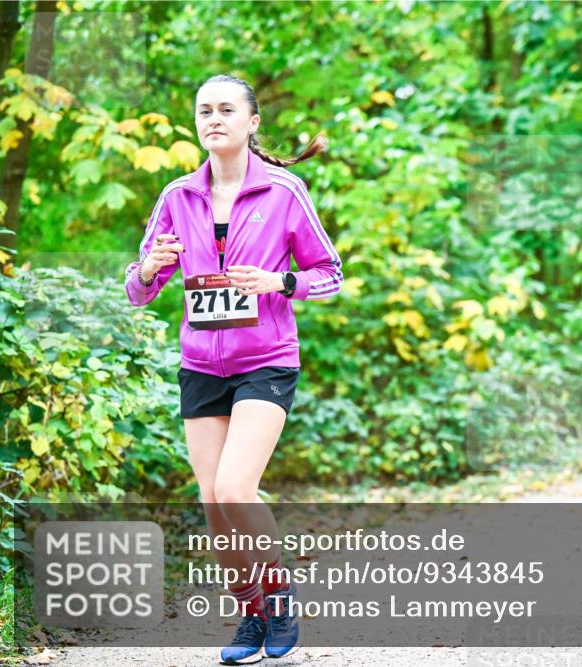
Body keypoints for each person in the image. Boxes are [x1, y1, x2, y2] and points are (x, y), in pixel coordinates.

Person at [124, 74, 344, 664]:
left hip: (266, 360)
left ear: (251, 123)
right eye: (204, 111)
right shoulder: (177, 197)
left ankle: (278, 599)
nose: (213, 118)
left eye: (226, 109)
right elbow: (139, 289)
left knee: (234, 487)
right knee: (211, 501)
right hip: (201, 364)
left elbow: (331, 273)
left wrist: (282, 281)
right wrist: (149, 269)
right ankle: (250, 615)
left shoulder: (284, 191)